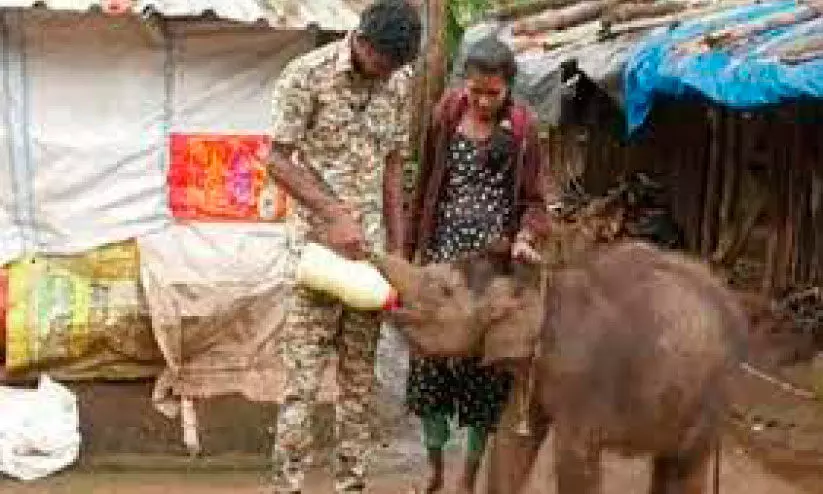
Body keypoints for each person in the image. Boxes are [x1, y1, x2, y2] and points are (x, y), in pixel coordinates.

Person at [267, 1, 422, 492]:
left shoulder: (398, 83)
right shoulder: (305, 76)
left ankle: (350, 484)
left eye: (395, 68)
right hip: (314, 259)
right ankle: (287, 484)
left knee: (358, 389)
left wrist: (396, 256)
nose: (386, 75)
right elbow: (276, 160)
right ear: (362, 41)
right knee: (302, 387)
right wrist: (332, 214)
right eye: (383, 64)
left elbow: (394, 169)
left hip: (369, 266)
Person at [404, 37, 551, 494]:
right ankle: (435, 469)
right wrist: (411, 250)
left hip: (491, 274)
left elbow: (534, 202)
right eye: (475, 90)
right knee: (430, 364)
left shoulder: (524, 132)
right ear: (463, 84)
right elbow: (426, 180)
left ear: (509, 89)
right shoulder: (446, 114)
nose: (482, 101)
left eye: (493, 93)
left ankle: (468, 476)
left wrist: (526, 239)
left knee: (484, 373)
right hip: (442, 263)